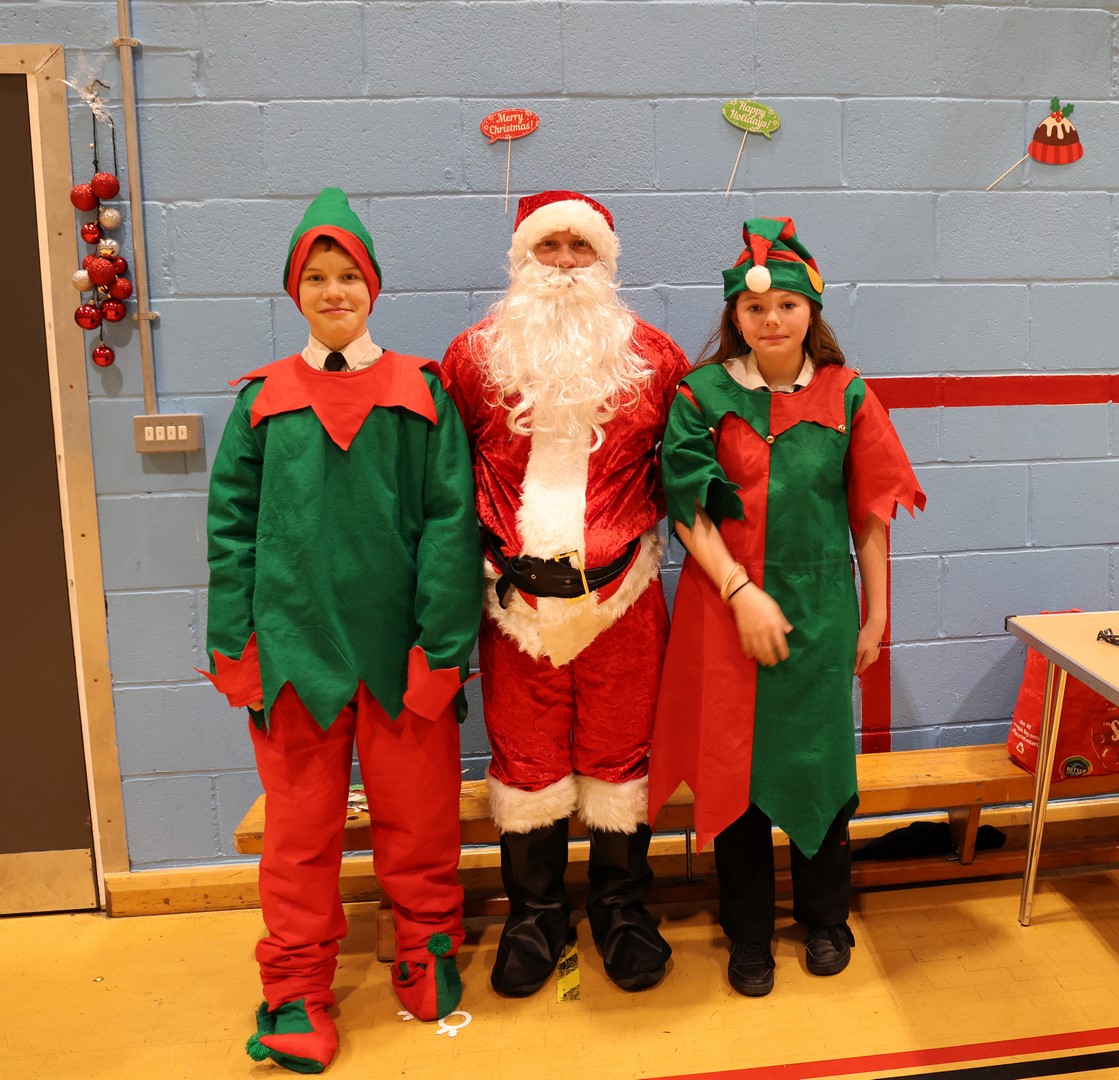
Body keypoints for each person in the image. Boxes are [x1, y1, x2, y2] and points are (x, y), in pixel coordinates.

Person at [202, 187, 481, 1073]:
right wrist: (234, 642)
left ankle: (425, 945)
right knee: (299, 836)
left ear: (372, 287)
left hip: (400, 653)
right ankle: (294, 986)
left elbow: (450, 525)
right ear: (296, 291)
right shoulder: (262, 402)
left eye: (347, 276)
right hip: (294, 654)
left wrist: (443, 644)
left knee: (420, 819)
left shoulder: (421, 393)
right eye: (316, 277)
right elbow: (230, 531)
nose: (333, 292)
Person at [648, 217, 925, 998]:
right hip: (722, 610)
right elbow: (686, 508)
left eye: (786, 307)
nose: (770, 321)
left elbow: (869, 513)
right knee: (733, 774)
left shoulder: (847, 394)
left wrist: (875, 615)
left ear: (811, 311)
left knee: (817, 767)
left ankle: (826, 918)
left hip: (819, 610)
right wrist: (740, 594)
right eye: (754, 309)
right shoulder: (700, 396)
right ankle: (747, 932)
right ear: (734, 315)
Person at [442, 190, 691, 997]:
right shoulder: (472, 358)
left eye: (578, 248)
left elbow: (686, 474)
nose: (562, 263)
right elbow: (447, 481)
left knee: (622, 758)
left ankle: (621, 911)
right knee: (525, 763)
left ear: (604, 260)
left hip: (624, 601)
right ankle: (535, 916)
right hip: (514, 610)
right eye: (546, 247)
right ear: (520, 258)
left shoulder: (654, 358)